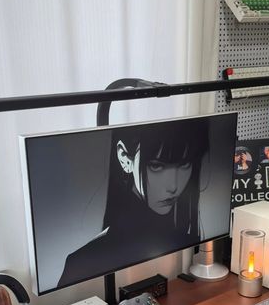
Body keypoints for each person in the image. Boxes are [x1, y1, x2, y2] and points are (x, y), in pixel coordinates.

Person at [58, 119, 210, 287]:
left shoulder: (184, 241)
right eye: (156, 166)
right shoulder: (82, 262)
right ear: (124, 158)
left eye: (184, 164)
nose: (173, 186)